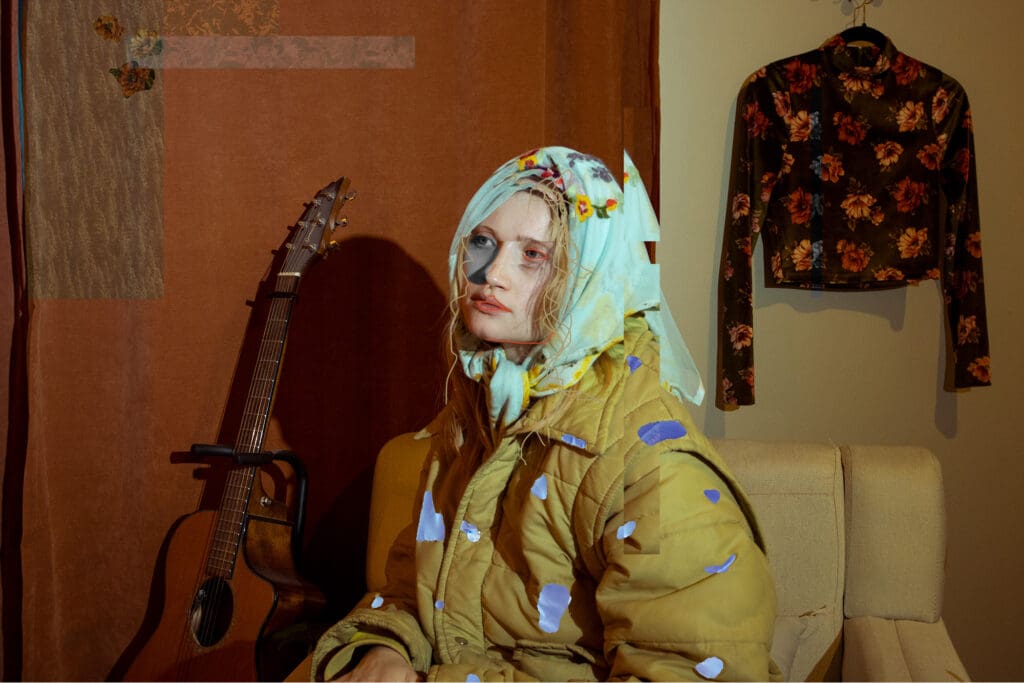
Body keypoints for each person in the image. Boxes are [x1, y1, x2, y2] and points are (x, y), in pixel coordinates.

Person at [311, 147, 781, 681]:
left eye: (533, 255)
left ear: (590, 276)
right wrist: (385, 649)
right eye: (482, 242)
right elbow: (414, 588)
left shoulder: (647, 463)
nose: (491, 273)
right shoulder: (475, 415)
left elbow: (690, 670)